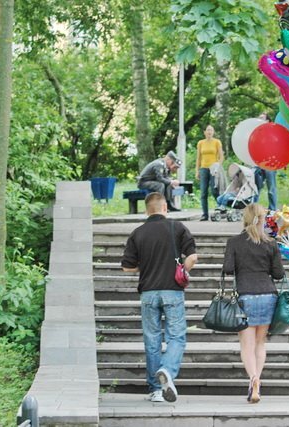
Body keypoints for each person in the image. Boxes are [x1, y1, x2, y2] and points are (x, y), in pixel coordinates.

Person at [121, 192, 198, 402]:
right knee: (176, 337)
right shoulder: (177, 227)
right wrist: (183, 269)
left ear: (147, 210)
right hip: (172, 290)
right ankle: (167, 370)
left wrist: (146, 267)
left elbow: (127, 267)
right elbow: (192, 257)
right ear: (165, 207)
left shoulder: (138, 233)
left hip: (148, 293)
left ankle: (156, 390)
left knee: (152, 340)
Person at [222, 203, 285, 404]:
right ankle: (258, 380)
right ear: (261, 219)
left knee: (247, 344)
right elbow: (278, 274)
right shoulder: (270, 243)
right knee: (260, 342)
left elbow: (228, 269)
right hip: (268, 295)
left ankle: (253, 379)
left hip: (245, 296)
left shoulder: (234, 242)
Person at [196, 125, 225, 221]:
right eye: (208, 130)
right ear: (204, 132)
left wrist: (217, 166)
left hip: (213, 169)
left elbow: (221, 157)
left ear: (213, 132)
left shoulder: (217, 142)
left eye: (211, 130)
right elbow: (198, 158)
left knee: (214, 190)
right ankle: (205, 214)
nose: (209, 132)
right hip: (203, 169)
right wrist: (197, 171)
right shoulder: (200, 143)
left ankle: (221, 207)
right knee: (203, 193)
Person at [254, 113, 278, 211]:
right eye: (259, 118)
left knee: (271, 188)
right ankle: (253, 209)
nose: (259, 120)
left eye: (262, 118)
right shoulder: (256, 133)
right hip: (258, 163)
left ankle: (272, 210)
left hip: (270, 164)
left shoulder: (272, 133)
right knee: (256, 188)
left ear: (267, 121)